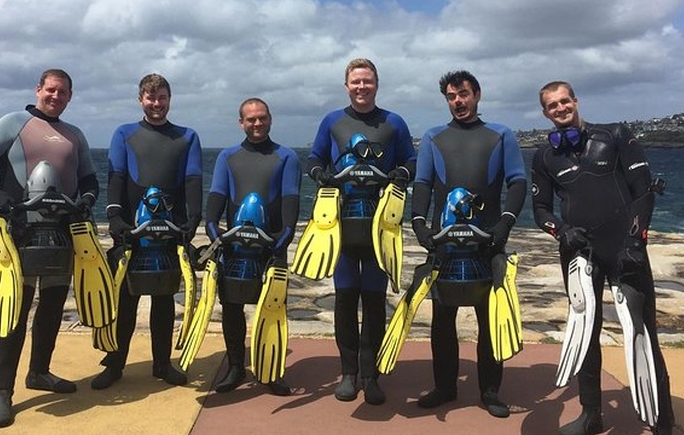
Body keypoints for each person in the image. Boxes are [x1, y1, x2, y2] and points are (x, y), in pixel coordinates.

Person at [531, 81, 674, 435]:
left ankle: (663, 421)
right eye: (552, 105)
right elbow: (539, 209)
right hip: (580, 254)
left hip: (625, 252)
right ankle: (591, 414)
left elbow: (643, 192)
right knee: (585, 335)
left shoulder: (615, 135)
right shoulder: (545, 156)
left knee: (642, 333)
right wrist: (561, 231)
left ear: (576, 101)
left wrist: (635, 241)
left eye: (565, 101)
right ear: (545, 113)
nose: (561, 109)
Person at [0, 68, 100, 428]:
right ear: (38, 89)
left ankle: (39, 372)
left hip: (61, 232)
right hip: (20, 231)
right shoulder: (14, 123)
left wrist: (87, 200)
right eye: (51, 90)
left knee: (53, 306)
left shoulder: (75, 135)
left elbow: (89, 178)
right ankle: (1, 393)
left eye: (63, 92)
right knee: (14, 312)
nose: (56, 96)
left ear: (70, 96)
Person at [410, 70, 527, 417]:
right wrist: (418, 222)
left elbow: (518, 181)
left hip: (488, 241)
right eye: (451, 96)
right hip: (444, 244)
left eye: (463, 94)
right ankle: (445, 386)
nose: (457, 101)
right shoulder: (433, 137)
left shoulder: (501, 135)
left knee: (488, 319)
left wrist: (505, 223)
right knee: (442, 319)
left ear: (477, 95)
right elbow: (423, 184)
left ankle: (490, 391)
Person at [304, 58, 416, 405]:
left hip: (380, 227)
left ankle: (371, 375)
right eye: (355, 82)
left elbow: (411, 161)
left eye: (367, 81)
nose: (361, 87)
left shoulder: (392, 122)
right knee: (345, 299)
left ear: (376, 84)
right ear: (346, 85)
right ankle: (348, 373)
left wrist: (400, 175)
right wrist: (320, 175)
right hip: (342, 226)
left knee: (374, 301)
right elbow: (314, 158)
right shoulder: (332, 121)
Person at [90, 73, 202, 390]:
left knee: (164, 300)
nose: (156, 104)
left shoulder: (187, 136)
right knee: (125, 300)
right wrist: (115, 218)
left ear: (170, 99)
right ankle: (114, 364)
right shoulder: (124, 133)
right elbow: (116, 179)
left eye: (162, 97)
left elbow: (193, 180)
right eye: (151, 98)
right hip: (131, 228)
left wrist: (191, 222)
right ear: (141, 99)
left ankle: (162, 364)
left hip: (168, 229)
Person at [204, 98, 301, 396]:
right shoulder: (228, 157)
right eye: (251, 119)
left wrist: (277, 245)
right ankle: (235, 366)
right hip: (235, 250)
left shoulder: (286, 157)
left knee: (272, 309)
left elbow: (290, 212)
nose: (257, 124)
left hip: (271, 248)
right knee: (232, 309)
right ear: (241, 123)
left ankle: (271, 371)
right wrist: (217, 237)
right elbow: (214, 209)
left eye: (262, 118)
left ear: (270, 119)